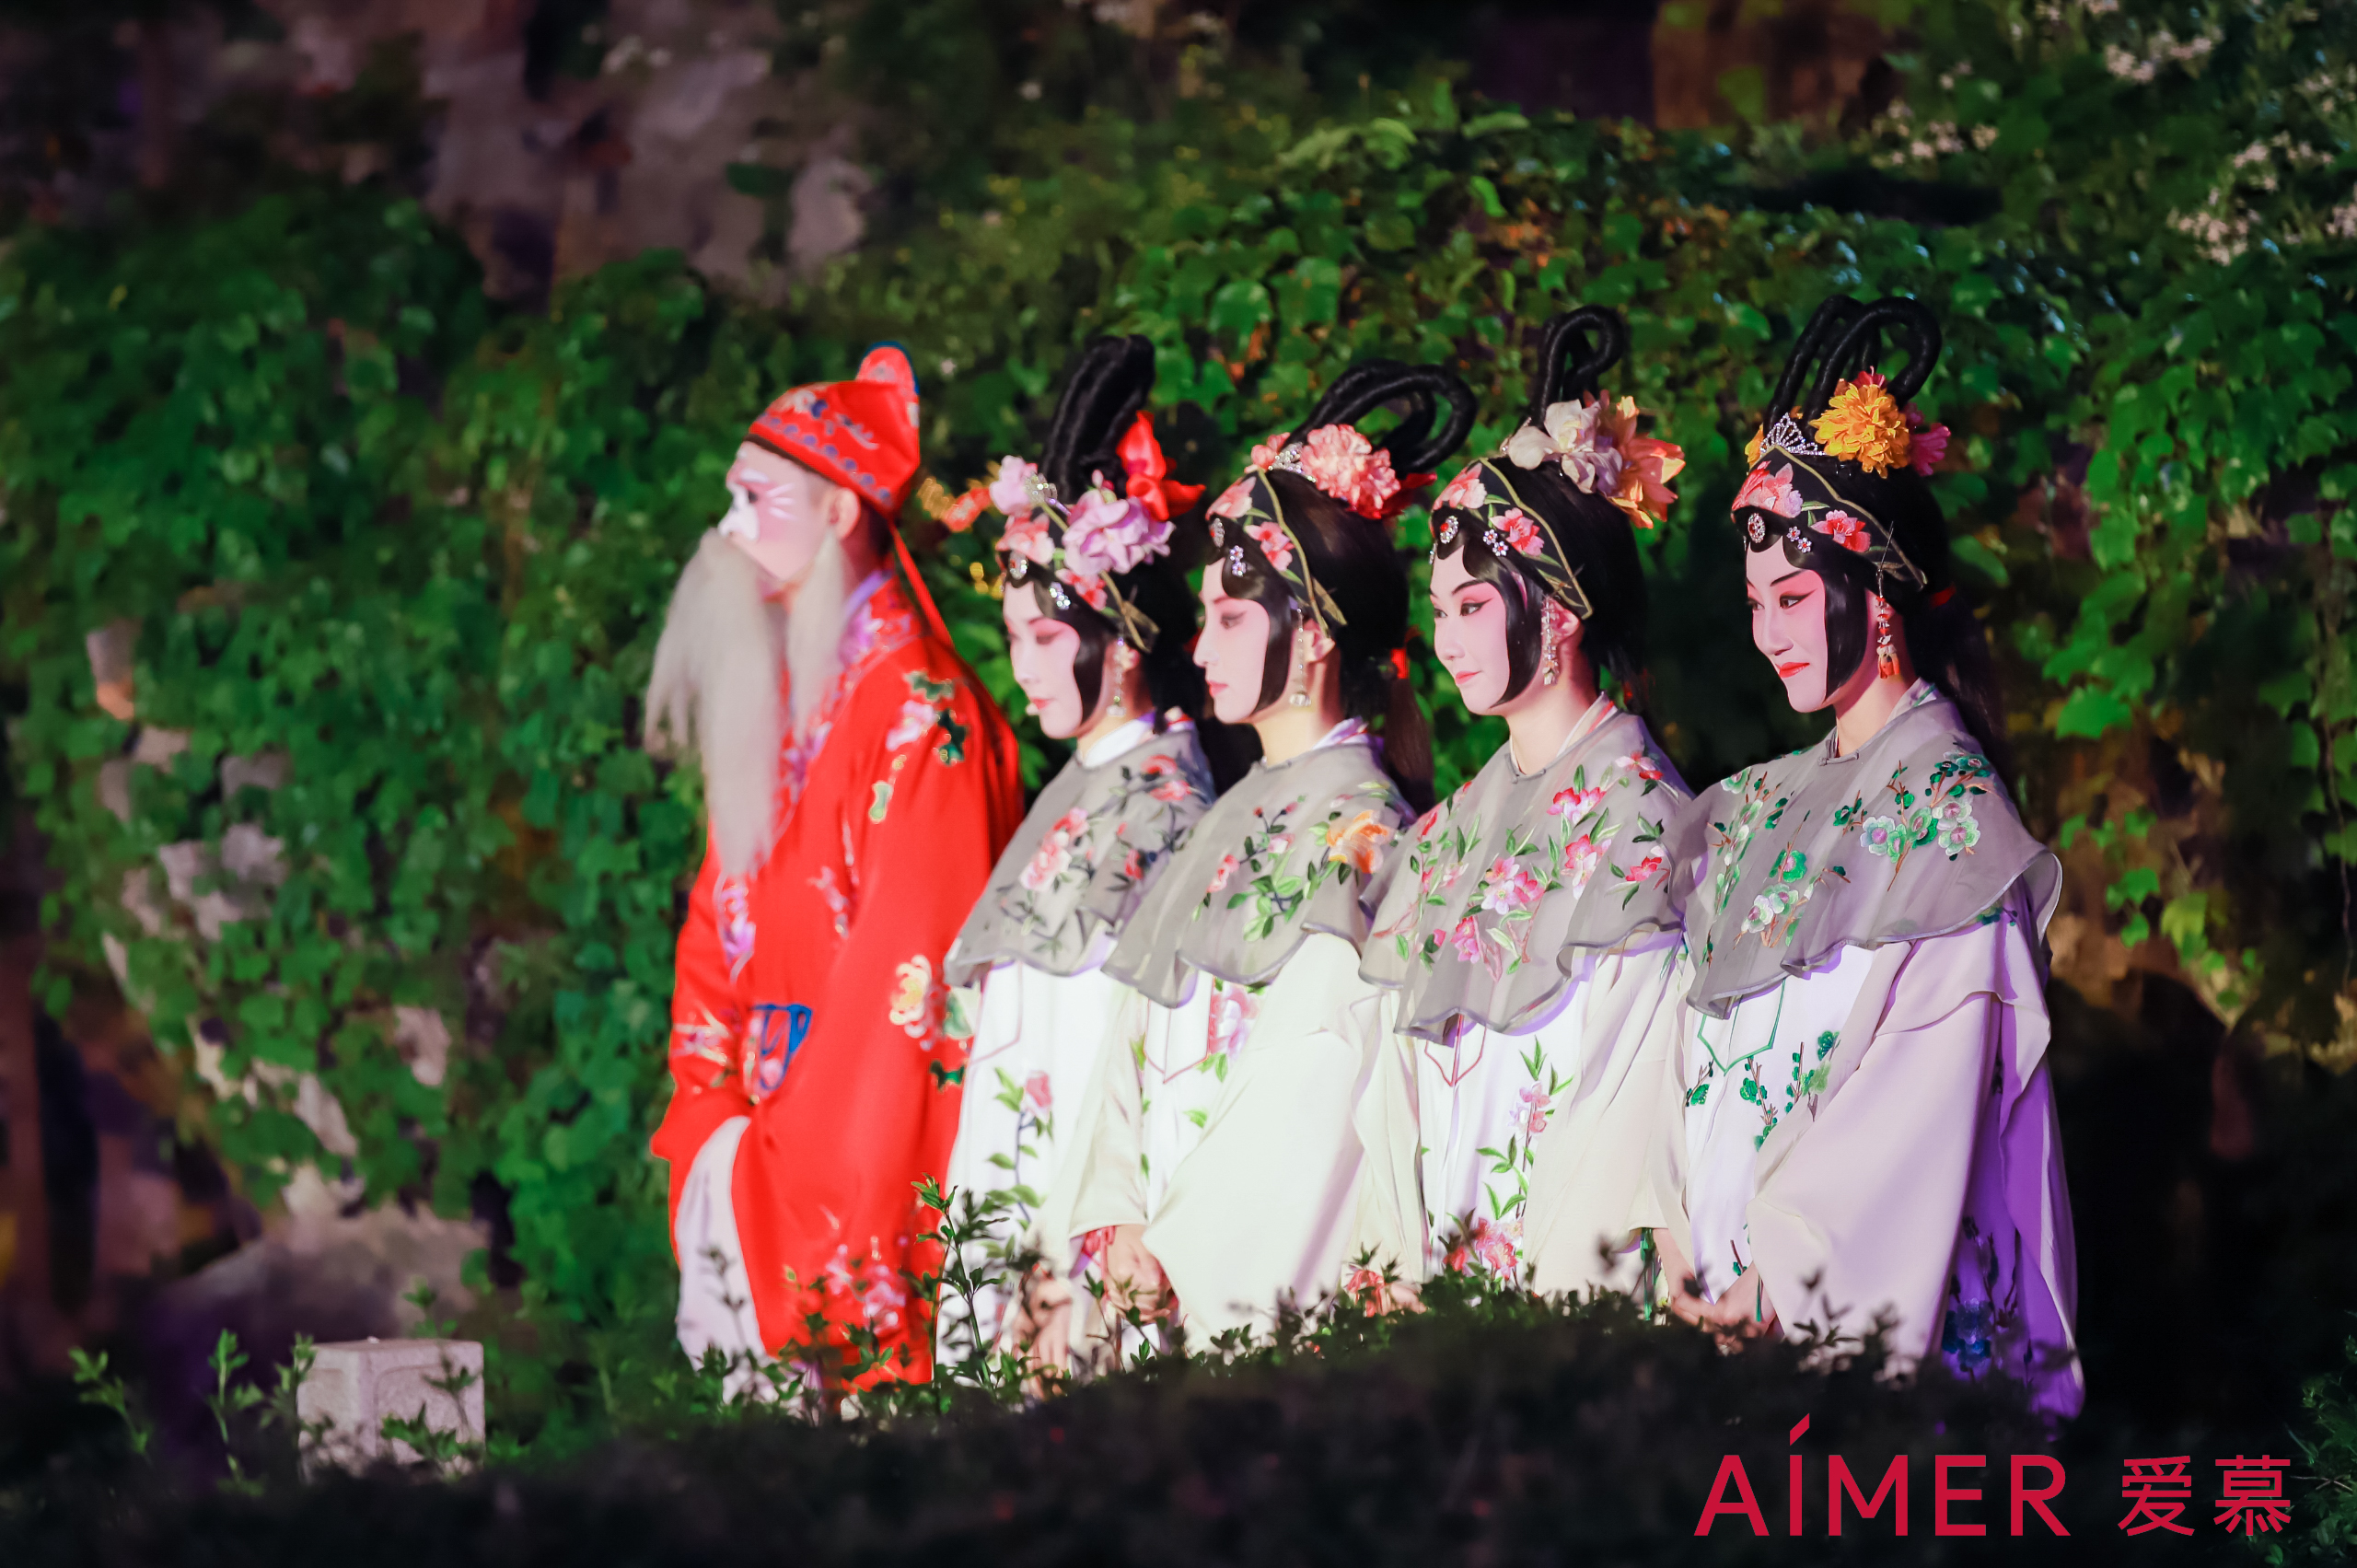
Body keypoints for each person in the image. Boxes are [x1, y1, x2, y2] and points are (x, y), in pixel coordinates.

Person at [1657, 296, 2081, 1414]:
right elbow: (1687, 1053)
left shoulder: (1949, 810)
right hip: (1717, 1301)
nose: (1768, 632)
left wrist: (1782, 1277)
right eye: (1756, 601)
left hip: (1843, 1319)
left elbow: (1915, 1108)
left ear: (1876, 589)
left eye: (1794, 596)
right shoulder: (1753, 804)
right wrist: (1671, 1228)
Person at [1053, 359, 1474, 1347]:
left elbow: (1309, 1094)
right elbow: (1128, 1036)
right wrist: (1114, 1213)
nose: (1201, 649)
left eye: (1231, 618)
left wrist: (1172, 1247)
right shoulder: (1222, 813)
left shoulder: (1367, 831)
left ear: (1314, 631)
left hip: (1229, 1276)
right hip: (1148, 1260)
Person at [644, 345, 1023, 1396]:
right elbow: (714, 931)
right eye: (731, 498)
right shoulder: (780, 702)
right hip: (751, 1149)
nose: (727, 528)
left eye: (756, 499)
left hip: (852, 1162)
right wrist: (713, 1127)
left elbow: (907, 990)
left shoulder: (924, 717)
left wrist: (782, 1169)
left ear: (841, 512)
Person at [1358, 307, 1693, 1297]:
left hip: (1556, 1294)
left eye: (1472, 606)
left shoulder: (1643, 819)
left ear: (1561, 605)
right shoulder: (1448, 830)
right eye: (1440, 611)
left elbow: (1625, 1110)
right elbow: (1391, 1094)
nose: (1448, 640)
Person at [934, 337, 1220, 1365]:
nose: (1023, 668)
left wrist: (1073, 1252)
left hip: (1077, 1214)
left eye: (1047, 638)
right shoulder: (1081, 785)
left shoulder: (1168, 807)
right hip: (1010, 1195)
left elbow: (1118, 1055)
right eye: (1015, 637)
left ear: (1124, 634)